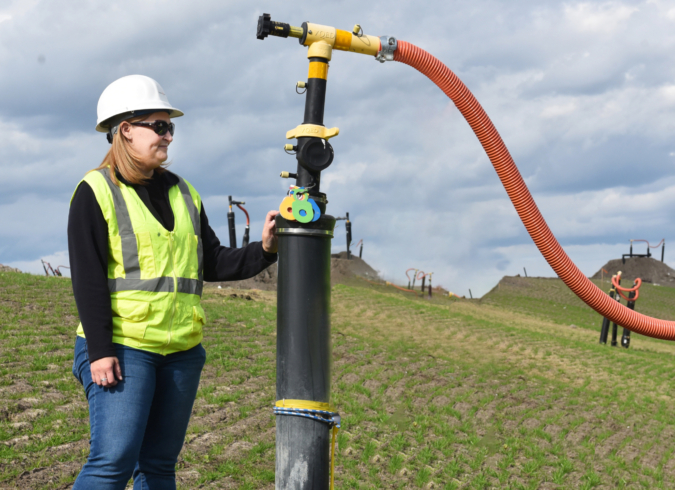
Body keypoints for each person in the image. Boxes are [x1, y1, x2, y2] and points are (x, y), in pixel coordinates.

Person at [67, 74, 279, 489]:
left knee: (160, 465)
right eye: (159, 126)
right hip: (125, 350)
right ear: (125, 130)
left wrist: (266, 249)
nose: (168, 136)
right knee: (113, 462)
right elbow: (88, 279)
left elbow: (212, 262)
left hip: (181, 351)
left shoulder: (184, 192)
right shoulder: (94, 191)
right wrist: (100, 352)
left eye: (171, 127)